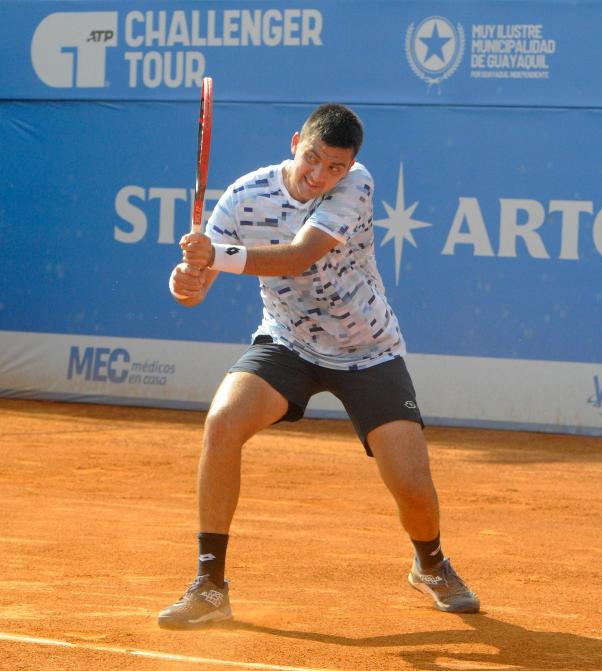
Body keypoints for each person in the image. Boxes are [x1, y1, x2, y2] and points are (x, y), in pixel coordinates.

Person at [158, 103, 479, 629]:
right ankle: (211, 585)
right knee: (222, 423)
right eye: (313, 159)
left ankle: (431, 565)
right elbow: (197, 285)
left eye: (335, 166)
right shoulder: (244, 196)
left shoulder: (356, 185)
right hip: (287, 343)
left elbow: (298, 256)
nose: (320, 176)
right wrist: (188, 281)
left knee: (414, 487)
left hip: (367, 350)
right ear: (294, 143)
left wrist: (216, 257)